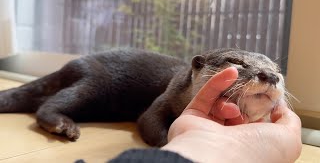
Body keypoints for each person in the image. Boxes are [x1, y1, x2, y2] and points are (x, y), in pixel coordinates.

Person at [80, 67, 302, 163]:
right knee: (83, 93)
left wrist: (206, 145)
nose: (271, 77)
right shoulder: (178, 91)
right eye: (241, 66)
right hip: (107, 72)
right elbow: (150, 120)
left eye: (276, 72)